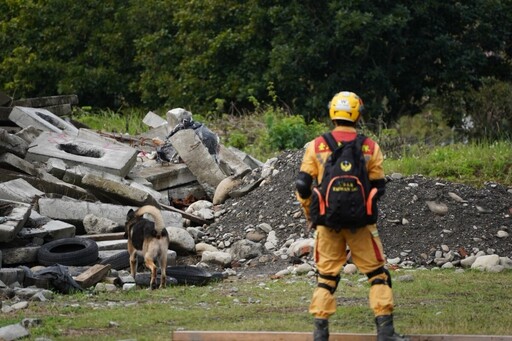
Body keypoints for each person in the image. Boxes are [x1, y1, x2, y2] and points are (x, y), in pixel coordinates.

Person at [295, 91, 409, 341]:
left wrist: (310, 213)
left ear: (332, 112)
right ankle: (385, 333)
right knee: (378, 274)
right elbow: (379, 186)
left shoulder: (317, 145)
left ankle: (320, 334)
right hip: (361, 225)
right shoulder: (370, 146)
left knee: (326, 278)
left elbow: (303, 185)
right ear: (357, 114)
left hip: (327, 224)